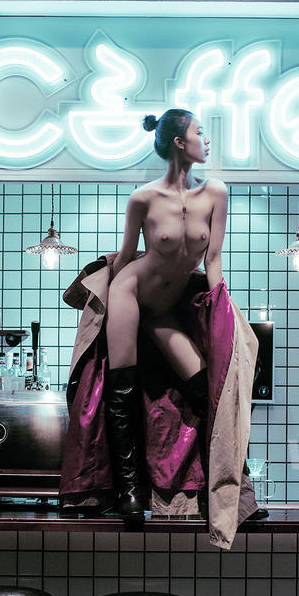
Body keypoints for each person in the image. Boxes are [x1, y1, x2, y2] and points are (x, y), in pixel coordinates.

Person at [103, 108, 228, 524]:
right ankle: (128, 492)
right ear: (179, 142)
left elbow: (213, 262)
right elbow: (126, 258)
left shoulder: (215, 193)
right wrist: (100, 311)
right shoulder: (143, 198)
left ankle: (227, 489)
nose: (206, 140)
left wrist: (223, 314)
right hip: (130, 293)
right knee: (121, 390)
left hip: (165, 312)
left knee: (205, 390)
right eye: (199, 132)